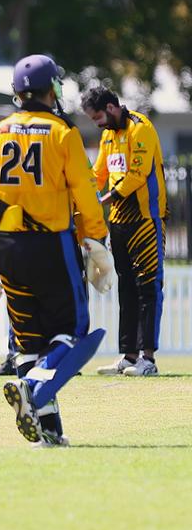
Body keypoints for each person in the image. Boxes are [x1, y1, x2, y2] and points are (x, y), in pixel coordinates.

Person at [0, 54, 116, 446]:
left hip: (10, 248)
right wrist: (97, 242)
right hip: (52, 244)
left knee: (28, 340)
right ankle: (33, 389)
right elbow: (85, 194)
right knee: (73, 332)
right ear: (52, 90)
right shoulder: (62, 133)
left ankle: (49, 431)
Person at [82, 87, 167, 377]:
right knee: (127, 287)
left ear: (111, 106)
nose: (98, 123)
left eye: (99, 117)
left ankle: (148, 359)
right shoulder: (109, 136)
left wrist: (105, 199)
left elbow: (137, 174)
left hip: (146, 219)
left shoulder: (140, 128)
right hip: (118, 222)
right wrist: (83, 192)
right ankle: (130, 357)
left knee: (149, 288)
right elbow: (98, 174)